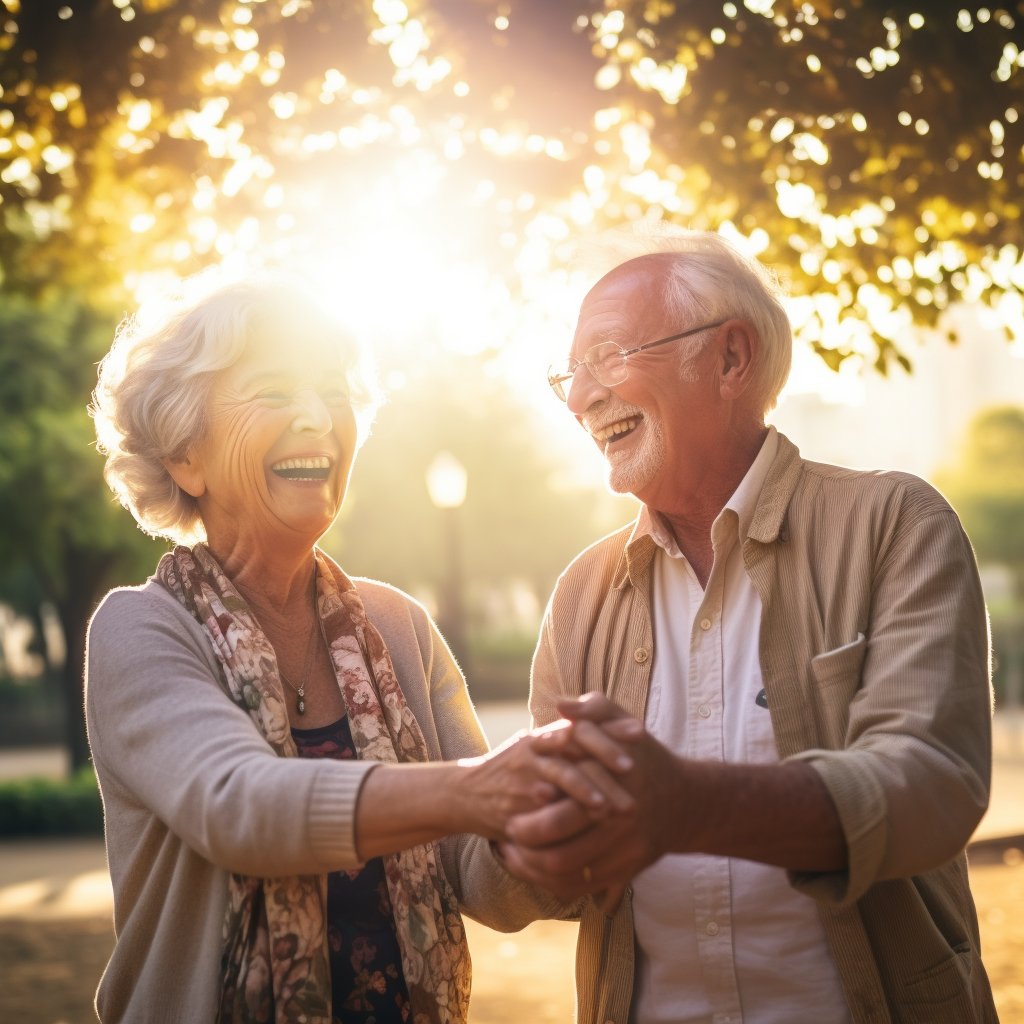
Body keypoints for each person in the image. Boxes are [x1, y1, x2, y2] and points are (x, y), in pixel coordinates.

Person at [84, 276, 633, 1024]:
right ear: (186, 457)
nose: (319, 417)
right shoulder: (140, 630)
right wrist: (479, 789)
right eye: (274, 391)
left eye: (334, 389)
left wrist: (546, 834)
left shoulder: (399, 625)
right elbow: (236, 805)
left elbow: (476, 873)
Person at [498, 229, 998, 1023]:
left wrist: (685, 804)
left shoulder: (894, 523)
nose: (578, 396)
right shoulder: (582, 593)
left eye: (609, 354)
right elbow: (544, 883)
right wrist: (511, 832)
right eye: (570, 371)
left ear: (730, 360)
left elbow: (931, 786)